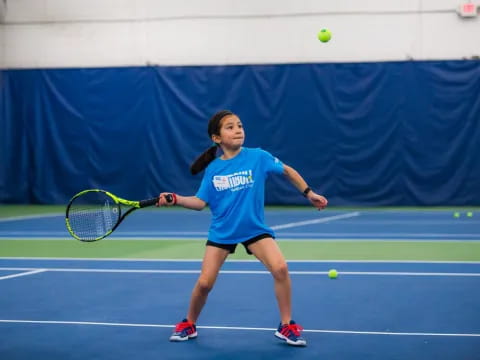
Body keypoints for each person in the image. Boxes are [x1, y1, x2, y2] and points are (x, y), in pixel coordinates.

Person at [156, 110, 328, 347]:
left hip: (254, 229)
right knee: (205, 283)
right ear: (217, 138)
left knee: (280, 268)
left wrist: (309, 193)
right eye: (230, 127)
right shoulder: (214, 169)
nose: (238, 130)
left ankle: (286, 325)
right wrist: (176, 198)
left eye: (240, 126)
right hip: (222, 231)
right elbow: (199, 203)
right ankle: (189, 323)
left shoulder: (258, 157)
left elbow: (287, 170)